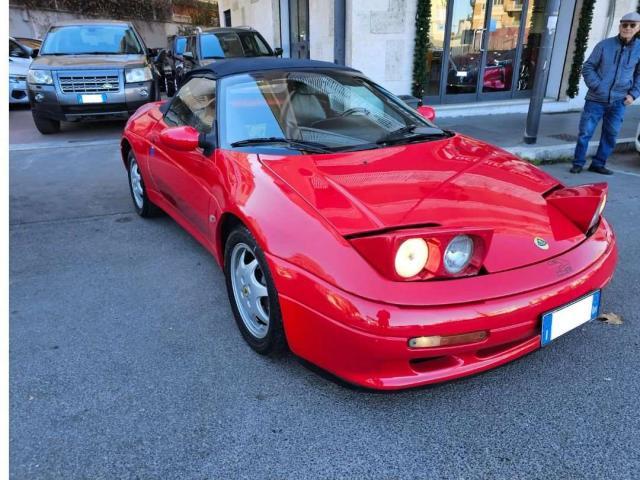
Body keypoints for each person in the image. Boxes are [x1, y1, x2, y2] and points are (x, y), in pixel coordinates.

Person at [570, 12, 640, 175]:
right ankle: (578, 163)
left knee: (611, 134)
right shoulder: (604, 45)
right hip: (596, 99)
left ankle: (598, 163)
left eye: (632, 25)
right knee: (585, 133)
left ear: (638, 28)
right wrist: (598, 86)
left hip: (619, 101)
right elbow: (588, 67)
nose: (627, 28)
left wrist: (633, 94)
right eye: (624, 24)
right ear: (619, 26)